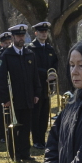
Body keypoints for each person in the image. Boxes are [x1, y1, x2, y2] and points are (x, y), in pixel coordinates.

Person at [0, 24, 41, 163]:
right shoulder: (6, 55)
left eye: (23, 36)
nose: (21, 39)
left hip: (28, 97)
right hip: (13, 99)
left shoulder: (29, 54)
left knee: (26, 127)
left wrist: (37, 93)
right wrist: (4, 99)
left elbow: (35, 76)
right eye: (19, 36)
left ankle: (25, 152)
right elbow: (0, 80)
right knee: (13, 128)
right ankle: (14, 153)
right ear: (13, 37)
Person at [27, 21, 58, 151]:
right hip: (36, 86)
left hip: (47, 87)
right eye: (41, 32)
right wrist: (46, 74)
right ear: (36, 33)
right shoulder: (31, 48)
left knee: (45, 113)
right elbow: (31, 68)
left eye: (45, 32)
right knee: (36, 114)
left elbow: (55, 64)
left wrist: (53, 74)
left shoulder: (50, 49)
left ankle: (42, 140)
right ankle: (36, 140)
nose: (44, 34)